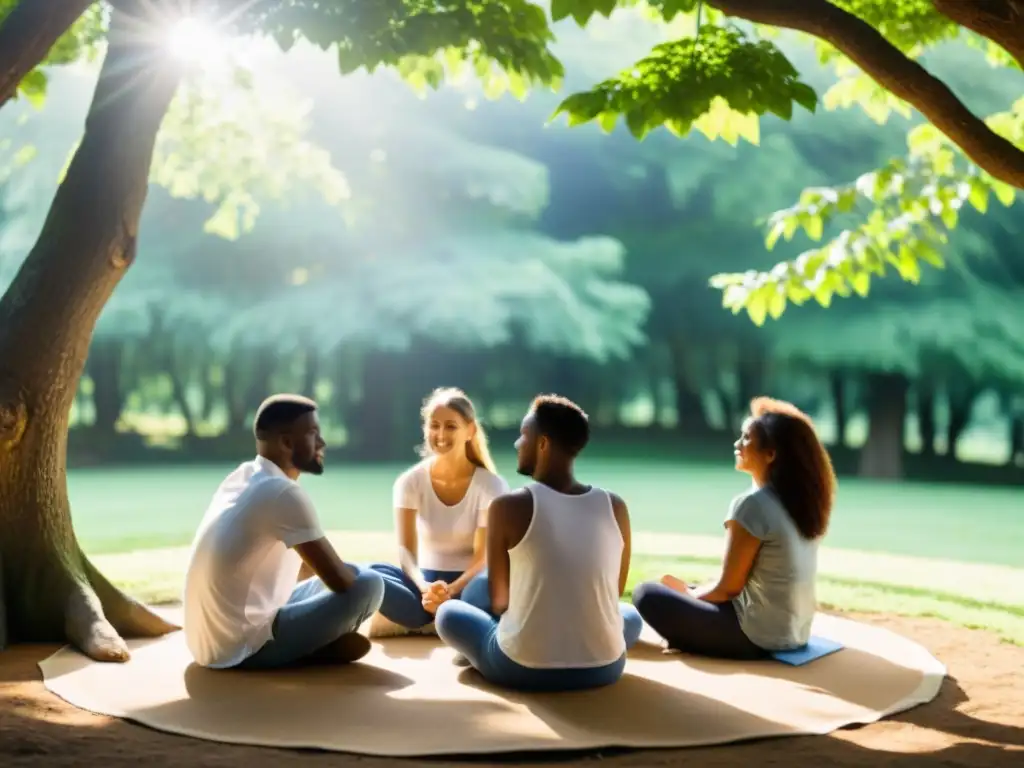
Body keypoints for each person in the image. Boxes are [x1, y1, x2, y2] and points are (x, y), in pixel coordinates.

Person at [434, 394, 643, 692]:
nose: (518, 444)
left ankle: (480, 651)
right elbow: (613, 593)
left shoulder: (507, 507)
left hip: (524, 668)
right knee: (628, 615)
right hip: (606, 667)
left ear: (543, 444)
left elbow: (500, 601)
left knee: (448, 614)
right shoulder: (615, 506)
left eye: (523, 436)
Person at [182, 394, 385, 669]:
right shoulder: (282, 492)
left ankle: (311, 643)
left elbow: (308, 571)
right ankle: (309, 646)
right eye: (313, 433)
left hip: (204, 643)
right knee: (370, 584)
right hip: (240, 648)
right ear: (287, 442)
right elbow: (341, 582)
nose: (322, 443)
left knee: (352, 571)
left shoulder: (246, 475)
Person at [632, 396, 837, 660]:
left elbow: (729, 588)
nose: (737, 444)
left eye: (746, 439)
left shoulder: (752, 505)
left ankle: (694, 632)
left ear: (770, 454)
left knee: (647, 593)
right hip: (795, 633)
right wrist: (694, 592)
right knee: (688, 590)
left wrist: (690, 596)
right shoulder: (798, 502)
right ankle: (692, 602)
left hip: (757, 638)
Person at [367, 387, 509, 632]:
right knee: (370, 575)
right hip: (424, 585)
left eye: (451, 426)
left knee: (494, 584)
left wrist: (452, 590)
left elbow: (482, 558)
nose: (440, 434)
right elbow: (406, 553)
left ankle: (445, 615)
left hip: (472, 585)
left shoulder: (491, 486)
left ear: (470, 431)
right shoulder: (409, 482)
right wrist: (424, 588)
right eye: (434, 425)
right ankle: (443, 618)